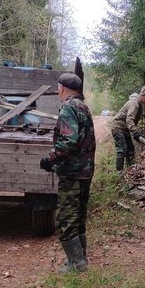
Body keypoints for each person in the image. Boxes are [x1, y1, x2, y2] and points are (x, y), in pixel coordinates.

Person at [39, 73, 96, 273]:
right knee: (78, 217)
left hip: (72, 174)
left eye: (58, 87)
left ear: (62, 87)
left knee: (66, 218)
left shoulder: (68, 108)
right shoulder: (83, 107)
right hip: (85, 172)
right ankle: (79, 259)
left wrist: (49, 159)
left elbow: (69, 141)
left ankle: (77, 264)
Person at [110, 84, 145, 172]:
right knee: (122, 150)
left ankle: (131, 171)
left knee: (130, 150)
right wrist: (135, 132)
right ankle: (119, 173)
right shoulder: (134, 103)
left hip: (124, 128)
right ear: (143, 95)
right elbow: (130, 119)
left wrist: (134, 132)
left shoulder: (137, 103)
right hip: (118, 126)